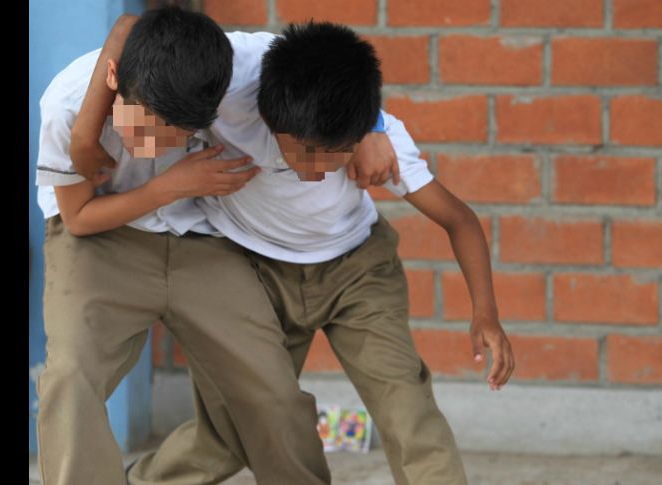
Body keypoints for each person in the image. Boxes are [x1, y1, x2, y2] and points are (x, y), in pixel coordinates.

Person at [74, 17, 515, 485]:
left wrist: (485, 313)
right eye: (303, 152)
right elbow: (131, 30)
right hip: (254, 273)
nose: (316, 169)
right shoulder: (227, 81)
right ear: (267, 117)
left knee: (408, 409)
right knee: (235, 429)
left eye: (334, 154)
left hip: (357, 271)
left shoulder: (374, 137)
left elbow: (458, 219)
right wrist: (84, 134)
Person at [34, 8, 399, 485]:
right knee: (70, 376)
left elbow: (334, 72)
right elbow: (79, 219)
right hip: (99, 239)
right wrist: (162, 182)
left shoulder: (231, 68)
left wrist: (372, 127)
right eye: (141, 128)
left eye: (173, 137)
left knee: (271, 391)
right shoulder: (67, 103)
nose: (151, 146)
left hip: (201, 239)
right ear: (113, 79)